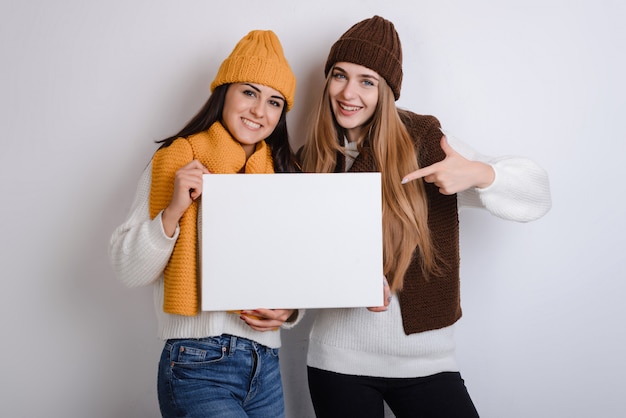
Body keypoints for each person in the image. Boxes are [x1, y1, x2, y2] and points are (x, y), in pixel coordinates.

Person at [298, 16, 552, 418]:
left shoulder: (428, 144)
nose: (348, 93)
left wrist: (480, 174)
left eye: (368, 81)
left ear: (388, 92)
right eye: (340, 76)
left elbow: (538, 194)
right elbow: (296, 265)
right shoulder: (307, 163)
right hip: (337, 365)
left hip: (428, 367)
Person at [109, 29, 300, 418]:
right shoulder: (177, 159)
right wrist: (174, 209)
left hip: (266, 366)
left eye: (274, 101)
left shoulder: (281, 174)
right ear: (224, 92)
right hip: (196, 363)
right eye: (249, 92)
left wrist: (289, 311)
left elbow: (295, 270)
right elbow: (128, 270)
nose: (259, 111)